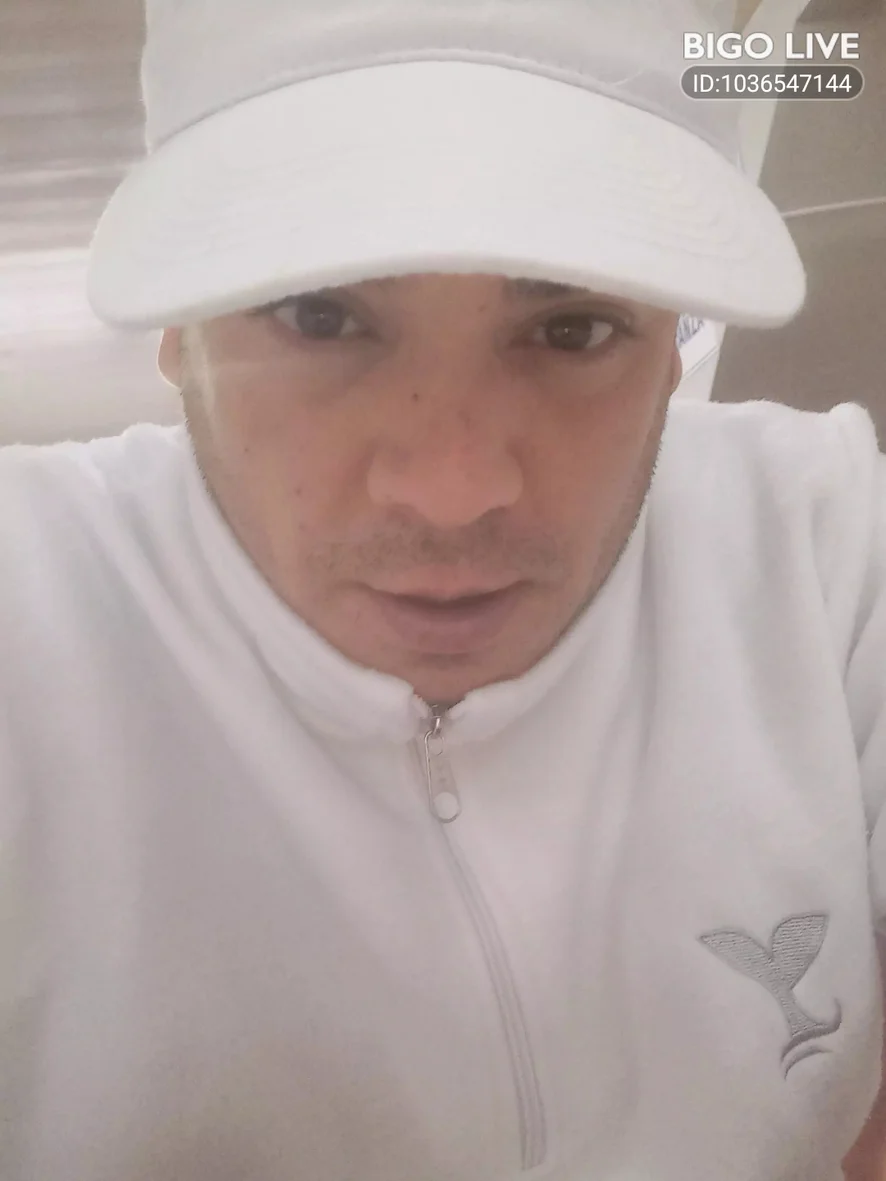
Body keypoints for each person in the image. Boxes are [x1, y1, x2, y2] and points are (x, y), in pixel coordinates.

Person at [3, 0, 886, 1178]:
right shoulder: (34, 608)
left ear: (670, 342)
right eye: (320, 312)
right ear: (178, 330)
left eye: (572, 327)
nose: (454, 489)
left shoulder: (823, 542)